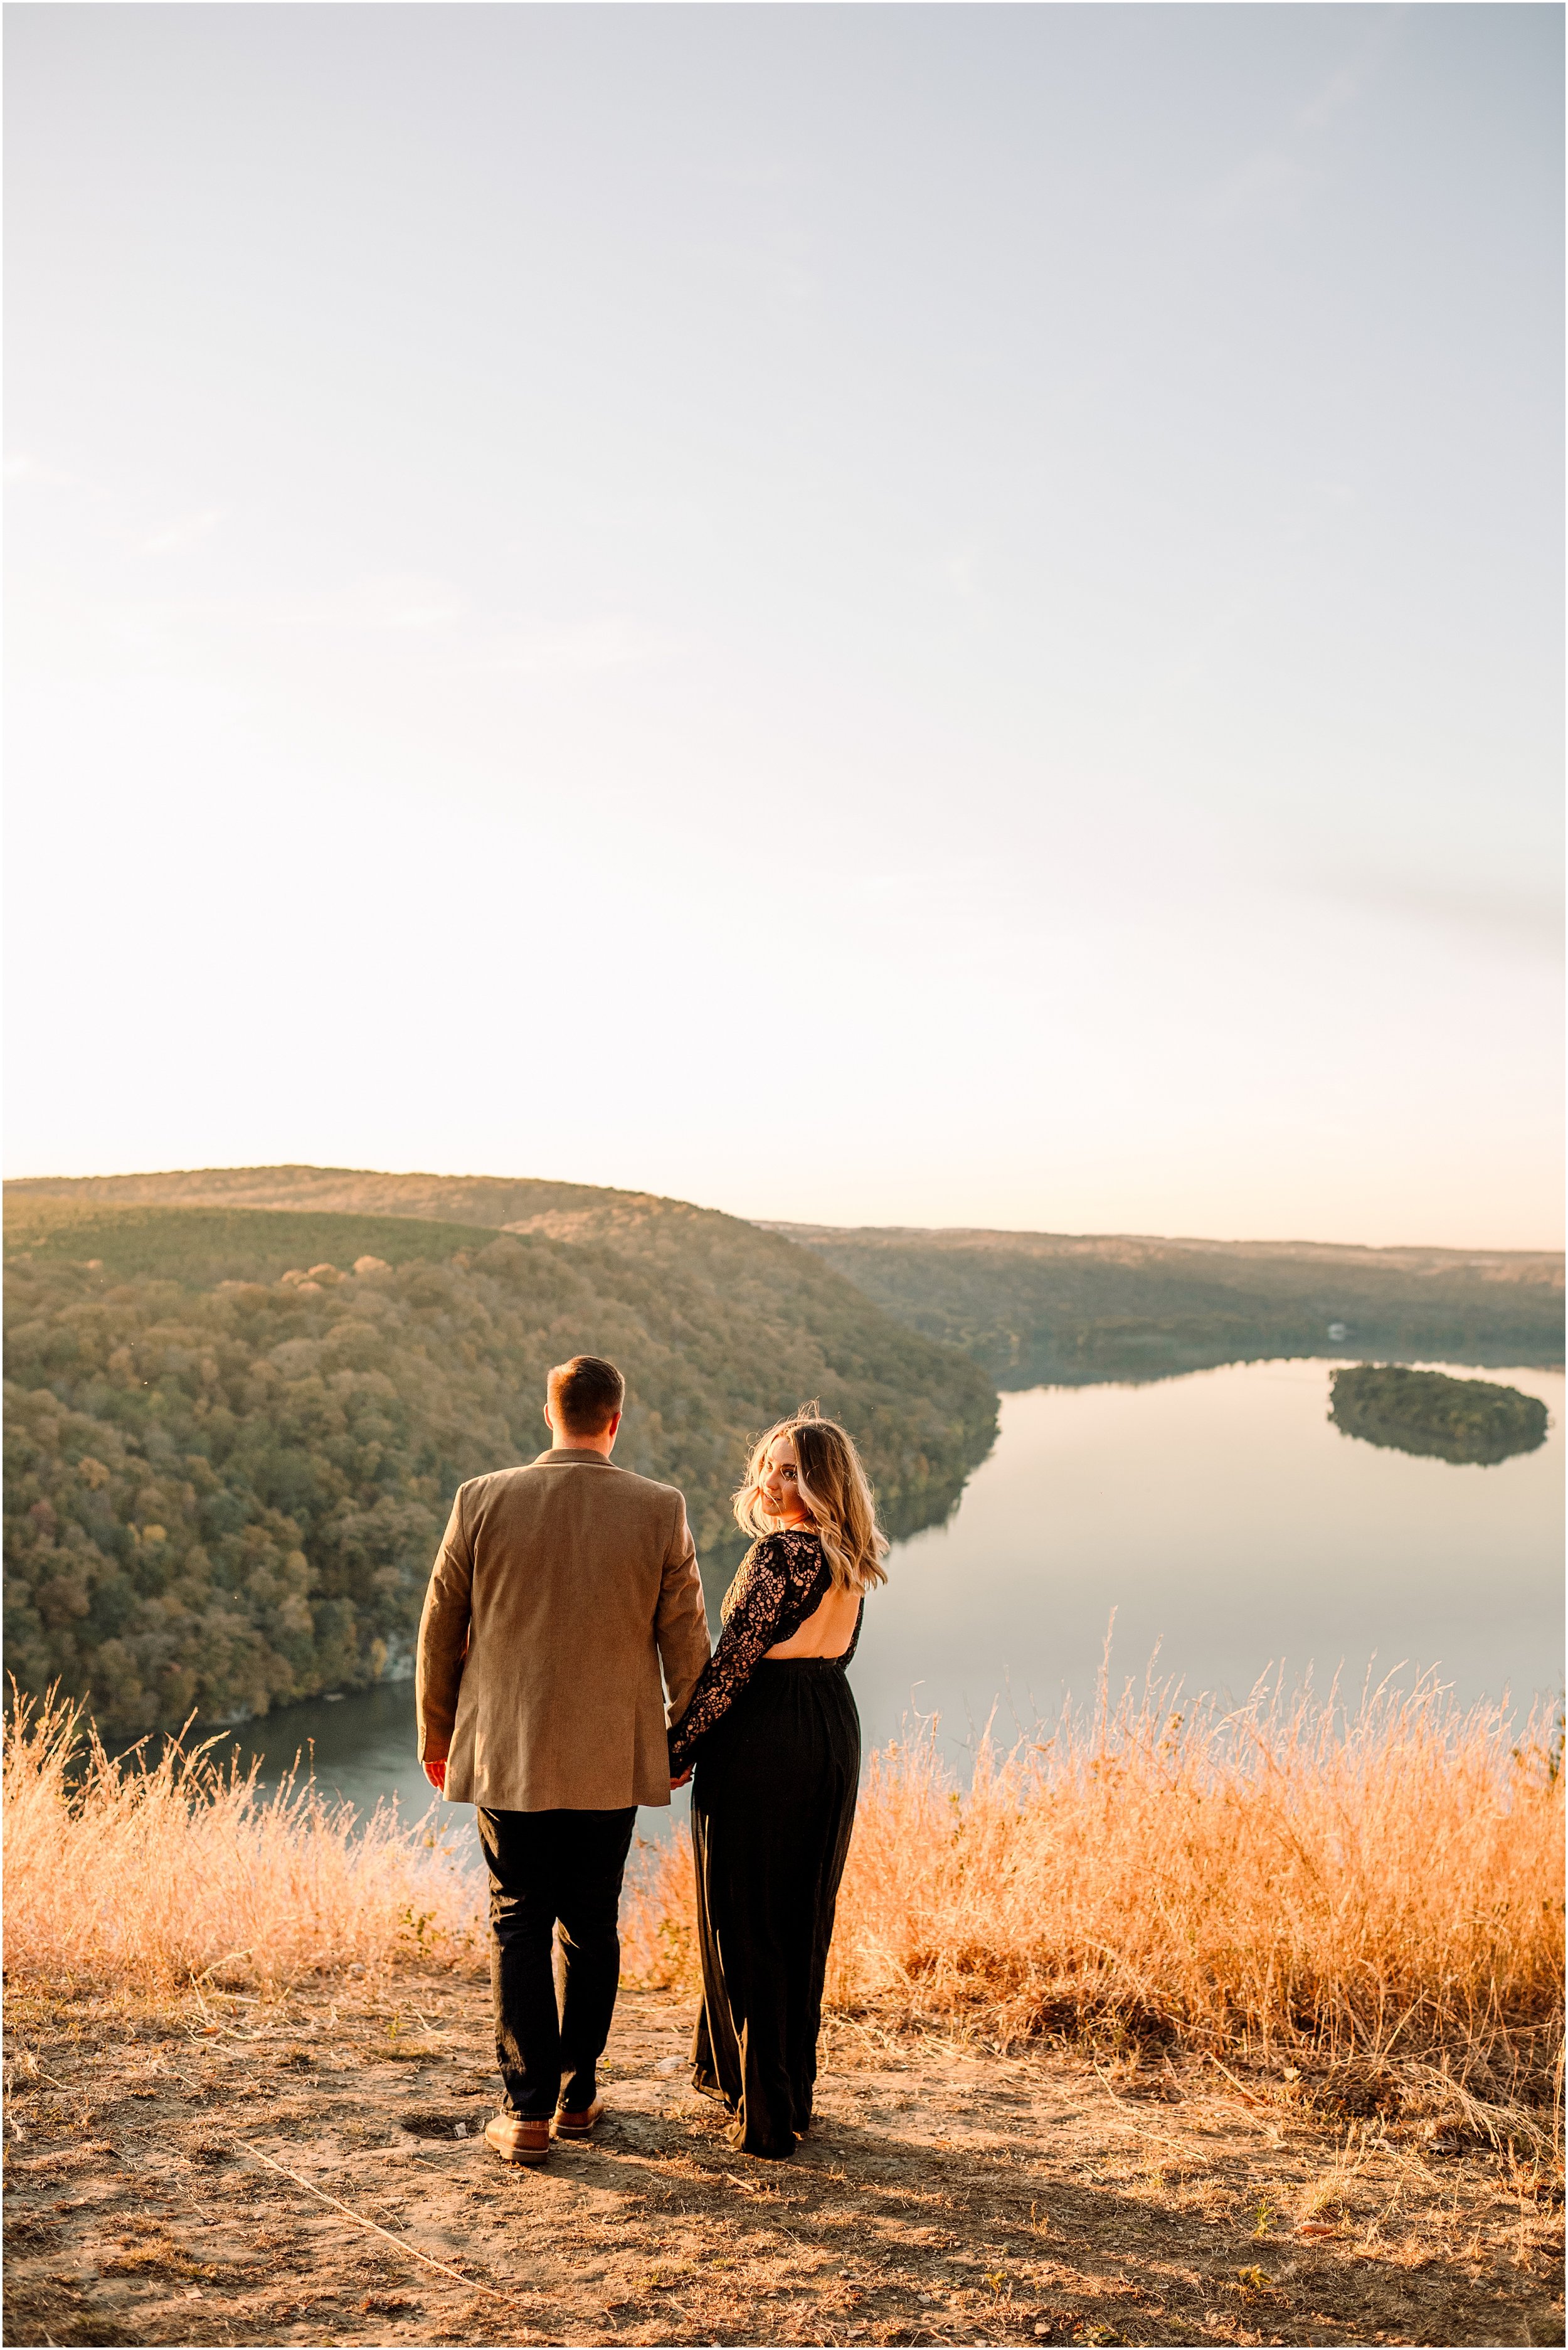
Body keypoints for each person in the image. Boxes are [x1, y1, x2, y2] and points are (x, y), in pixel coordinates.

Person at [416, 1353, 711, 2167]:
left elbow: (441, 1625)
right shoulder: (659, 1507)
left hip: (507, 1749)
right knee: (591, 1924)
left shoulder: (483, 1498)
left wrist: (438, 1736)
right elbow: (686, 1638)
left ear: (550, 1413)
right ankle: (579, 2096)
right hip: (610, 1758)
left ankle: (528, 2111)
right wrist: (682, 1738)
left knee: (517, 1923)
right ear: (615, 1419)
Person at [668, 1404, 887, 2158]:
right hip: (829, 1724)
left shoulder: (782, 1554)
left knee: (748, 1910)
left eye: (791, 1468)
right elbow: (842, 1653)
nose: (771, 1478)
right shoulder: (847, 1553)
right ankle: (787, 2091)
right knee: (801, 1911)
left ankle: (763, 2113)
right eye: (769, 1461)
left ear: (821, 1482)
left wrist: (680, 1743)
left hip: (764, 1732)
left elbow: (733, 1661)